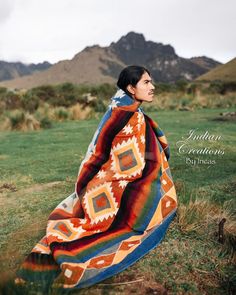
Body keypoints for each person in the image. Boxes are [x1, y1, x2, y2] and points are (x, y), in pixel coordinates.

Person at [15, 65, 177, 290]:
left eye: (151, 82)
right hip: (110, 181)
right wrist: (92, 184)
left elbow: (138, 150)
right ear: (131, 88)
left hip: (122, 177)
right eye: (146, 83)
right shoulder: (120, 113)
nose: (153, 87)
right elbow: (98, 153)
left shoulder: (132, 111)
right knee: (126, 221)